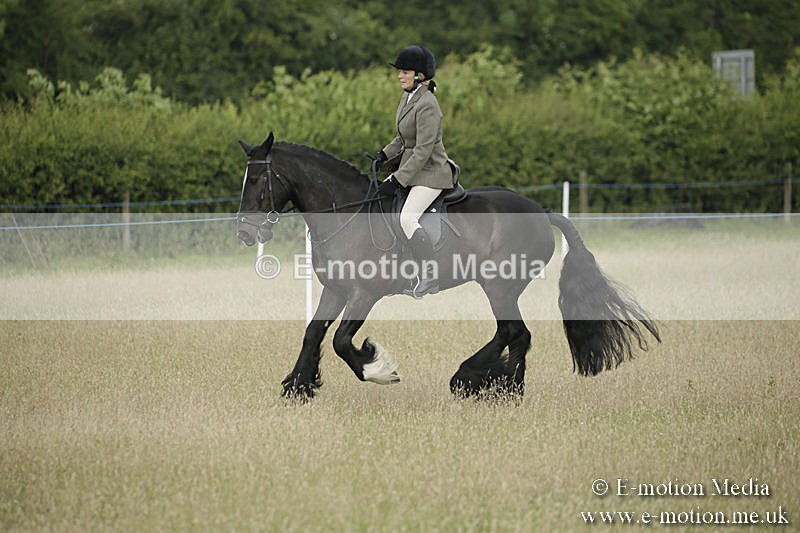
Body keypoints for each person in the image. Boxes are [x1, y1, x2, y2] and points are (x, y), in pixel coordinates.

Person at [374, 45, 457, 298]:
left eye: (405, 71)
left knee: (407, 218)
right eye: (399, 71)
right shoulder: (408, 97)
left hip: (432, 172)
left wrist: (399, 179)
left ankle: (429, 276)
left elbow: (423, 149)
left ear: (420, 75)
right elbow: (402, 139)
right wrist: (384, 155)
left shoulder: (428, 104)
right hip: (413, 169)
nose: (400, 75)